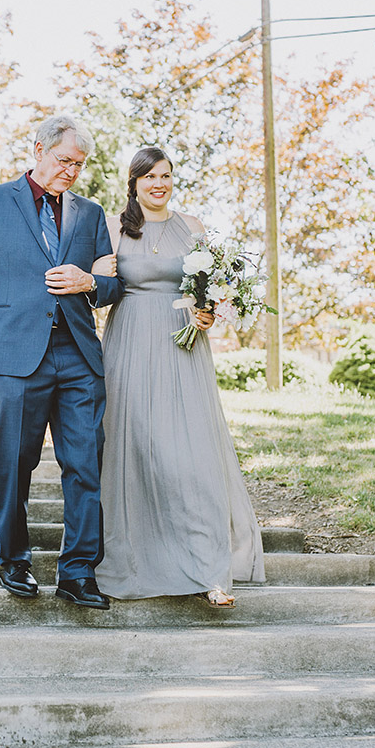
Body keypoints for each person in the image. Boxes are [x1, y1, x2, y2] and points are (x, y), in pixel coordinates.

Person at [0, 114, 123, 609]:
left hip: (78, 356)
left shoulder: (90, 215)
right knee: (13, 462)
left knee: (85, 464)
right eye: (64, 160)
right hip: (12, 353)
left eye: (79, 165)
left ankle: (78, 571)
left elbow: (112, 285)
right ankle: (14, 560)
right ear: (39, 149)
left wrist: (88, 282)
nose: (71, 171)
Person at [93, 145, 265, 606]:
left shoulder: (192, 228)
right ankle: (136, 558)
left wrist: (209, 313)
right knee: (136, 449)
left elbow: (209, 291)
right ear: (134, 182)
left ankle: (210, 569)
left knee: (189, 454)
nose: (158, 184)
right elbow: (101, 290)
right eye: (149, 177)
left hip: (181, 345)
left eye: (166, 175)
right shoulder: (111, 228)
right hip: (128, 344)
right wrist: (91, 276)